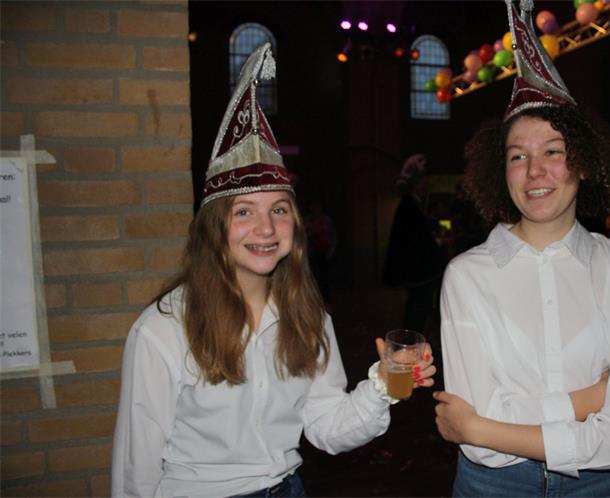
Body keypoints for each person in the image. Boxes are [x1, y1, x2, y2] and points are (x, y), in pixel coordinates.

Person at [111, 44, 435, 498]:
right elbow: (137, 468)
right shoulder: (163, 329)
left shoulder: (307, 316)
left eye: (279, 209)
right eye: (243, 211)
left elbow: (326, 428)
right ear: (213, 226)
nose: (265, 227)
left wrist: (383, 384)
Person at [433, 2, 610, 496]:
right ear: (502, 172)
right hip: (491, 486)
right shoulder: (467, 276)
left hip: (597, 487)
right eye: (519, 156)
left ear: (583, 163)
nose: (535, 171)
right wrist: (589, 400)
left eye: (553, 151)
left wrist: (480, 426)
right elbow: (485, 452)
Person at [382, 153, 447, 334]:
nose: (427, 184)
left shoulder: (412, 205)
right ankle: (411, 343)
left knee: (417, 311)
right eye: (424, 180)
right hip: (418, 274)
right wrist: (438, 242)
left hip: (418, 273)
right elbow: (415, 241)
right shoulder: (409, 206)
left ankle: (412, 339)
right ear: (417, 183)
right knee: (416, 312)